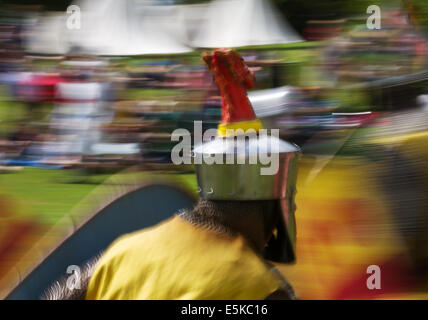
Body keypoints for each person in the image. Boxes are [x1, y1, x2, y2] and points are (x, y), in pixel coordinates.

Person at [43, 49, 301, 300]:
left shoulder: (119, 254)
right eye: (290, 196)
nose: (295, 206)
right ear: (268, 203)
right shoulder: (263, 288)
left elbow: (56, 297)